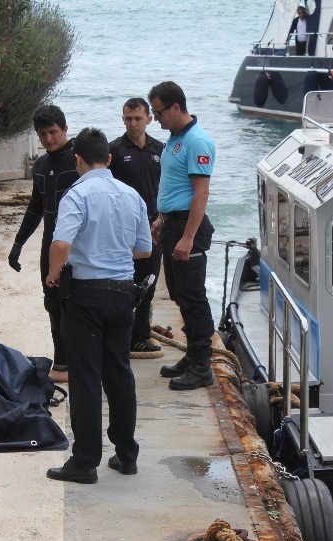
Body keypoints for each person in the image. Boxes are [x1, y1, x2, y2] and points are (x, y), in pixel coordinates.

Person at [44, 128, 151, 484]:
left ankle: (85, 461)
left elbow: (61, 244)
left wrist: (53, 275)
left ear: (77, 160)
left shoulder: (77, 194)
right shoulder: (131, 195)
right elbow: (144, 250)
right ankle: (126, 454)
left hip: (86, 296)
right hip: (122, 293)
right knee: (119, 373)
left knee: (86, 377)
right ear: (108, 159)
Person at [147, 81, 216, 391]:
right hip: (173, 222)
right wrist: (162, 218)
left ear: (176, 108)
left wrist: (188, 237)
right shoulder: (175, 139)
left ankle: (203, 365)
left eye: (158, 112)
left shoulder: (197, 141)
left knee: (193, 296)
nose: (155, 118)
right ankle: (192, 355)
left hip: (190, 226)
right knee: (177, 293)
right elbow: (174, 186)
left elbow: (200, 193)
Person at [7, 105, 78, 383]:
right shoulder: (41, 165)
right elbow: (35, 208)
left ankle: (80, 362)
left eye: (53, 132)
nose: (48, 139)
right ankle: (61, 362)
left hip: (75, 246)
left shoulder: (77, 160)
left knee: (75, 306)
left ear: (65, 129)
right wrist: (18, 244)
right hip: (50, 245)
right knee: (52, 304)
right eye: (42, 134)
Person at [108, 98, 164, 356]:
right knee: (122, 282)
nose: (133, 123)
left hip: (153, 226)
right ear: (123, 120)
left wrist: (162, 218)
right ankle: (120, 334)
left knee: (148, 283)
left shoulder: (160, 150)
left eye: (138, 118)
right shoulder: (114, 151)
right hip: (123, 229)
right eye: (128, 119)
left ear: (149, 119)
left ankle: (140, 336)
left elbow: (169, 188)